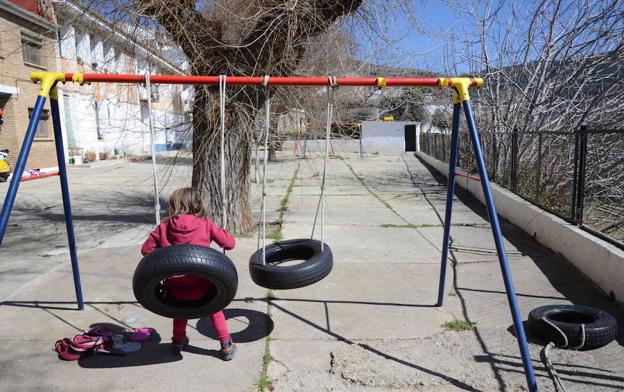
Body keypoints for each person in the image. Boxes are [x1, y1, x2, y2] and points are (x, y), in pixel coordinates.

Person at [141, 187, 237, 360]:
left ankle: (178, 342)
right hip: (204, 287)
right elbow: (230, 244)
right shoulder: (206, 224)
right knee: (215, 309)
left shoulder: (163, 227)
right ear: (197, 205)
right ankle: (226, 345)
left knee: (179, 311)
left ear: (174, 206)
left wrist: (165, 256)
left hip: (175, 289)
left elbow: (145, 250)